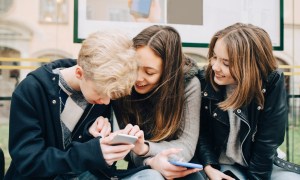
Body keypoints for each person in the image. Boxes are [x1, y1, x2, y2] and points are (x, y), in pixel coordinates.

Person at [4, 30, 140, 179]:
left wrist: (99, 140)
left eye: (111, 96)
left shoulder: (98, 89)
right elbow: (29, 163)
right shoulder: (31, 90)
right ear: (79, 73)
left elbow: (83, 157)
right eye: (100, 93)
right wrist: (92, 152)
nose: (106, 101)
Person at [196, 23, 300, 179]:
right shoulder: (205, 81)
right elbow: (201, 133)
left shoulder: (271, 82)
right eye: (214, 57)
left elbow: (268, 139)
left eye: (226, 63)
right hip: (223, 163)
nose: (215, 67)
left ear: (250, 65)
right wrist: (209, 166)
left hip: (261, 163)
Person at [111, 25, 203, 179]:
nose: (138, 78)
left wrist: (145, 149)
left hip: (167, 161)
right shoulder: (122, 81)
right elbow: (120, 154)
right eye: (135, 67)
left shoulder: (188, 85)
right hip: (124, 165)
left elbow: (186, 145)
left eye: (149, 72)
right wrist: (150, 162)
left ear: (168, 72)